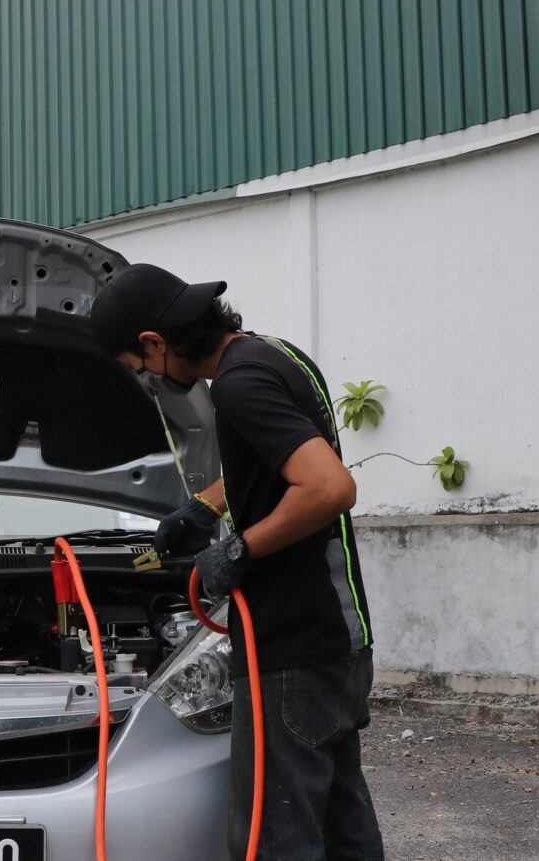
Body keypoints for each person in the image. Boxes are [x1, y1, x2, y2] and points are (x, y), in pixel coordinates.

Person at [90, 262, 383, 861]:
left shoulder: (238, 385)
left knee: (277, 837)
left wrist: (238, 548)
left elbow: (329, 488)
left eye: (140, 368)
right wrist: (204, 508)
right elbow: (280, 459)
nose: (149, 379)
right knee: (340, 823)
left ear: (154, 342)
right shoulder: (275, 355)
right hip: (340, 637)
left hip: (290, 648)